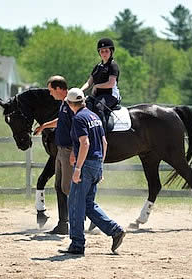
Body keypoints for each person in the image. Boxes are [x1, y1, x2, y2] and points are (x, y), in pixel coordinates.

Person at [60, 88, 125, 255]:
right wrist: (100, 166)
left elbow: (85, 143)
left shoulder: (79, 119)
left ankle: (77, 244)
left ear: (69, 103)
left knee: (75, 203)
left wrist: (78, 169)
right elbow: (104, 143)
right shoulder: (94, 116)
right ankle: (115, 231)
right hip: (96, 163)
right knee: (88, 204)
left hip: (86, 165)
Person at [34, 75, 73, 235]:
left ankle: (72, 222)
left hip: (69, 150)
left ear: (59, 89)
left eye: (51, 91)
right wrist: (43, 126)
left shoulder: (72, 101)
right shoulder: (65, 103)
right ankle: (63, 223)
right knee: (59, 187)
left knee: (66, 188)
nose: (50, 94)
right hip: (62, 151)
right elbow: (61, 121)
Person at [81, 38, 121, 133]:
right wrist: (79, 91)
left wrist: (96, 86)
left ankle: (101, 136)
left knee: (99, 107)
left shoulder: (113, 66)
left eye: (106, 51)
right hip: (98, 96)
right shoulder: (97, 66)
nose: (104, 53)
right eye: (102, 51)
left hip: (110, 96)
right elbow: (89, 82)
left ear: (111, 52)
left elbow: (110, 83)